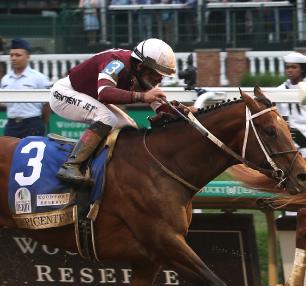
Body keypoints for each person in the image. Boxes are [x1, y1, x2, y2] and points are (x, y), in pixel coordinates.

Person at [50, 38, 188, 186]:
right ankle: (71, 166)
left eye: (161, 78)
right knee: (106, 117)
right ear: (141, 66)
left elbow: (160, 107)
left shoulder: (142, 74)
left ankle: (110, 168)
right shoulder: (117, 62)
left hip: (88, 96)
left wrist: (183, 112)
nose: (157, 81)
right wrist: (142, 97)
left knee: (129, 127)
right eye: (155, 76)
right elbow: (105, 93)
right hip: (63, 94)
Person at [1, 38, 51, 138]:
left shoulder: (39, 78)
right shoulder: (5, 79)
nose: (14, 58)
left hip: (32, 124)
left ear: (28, 56)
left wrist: (41, 123)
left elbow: (47, 104)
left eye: (18, 55)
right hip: (11, 125)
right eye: (11, 55)